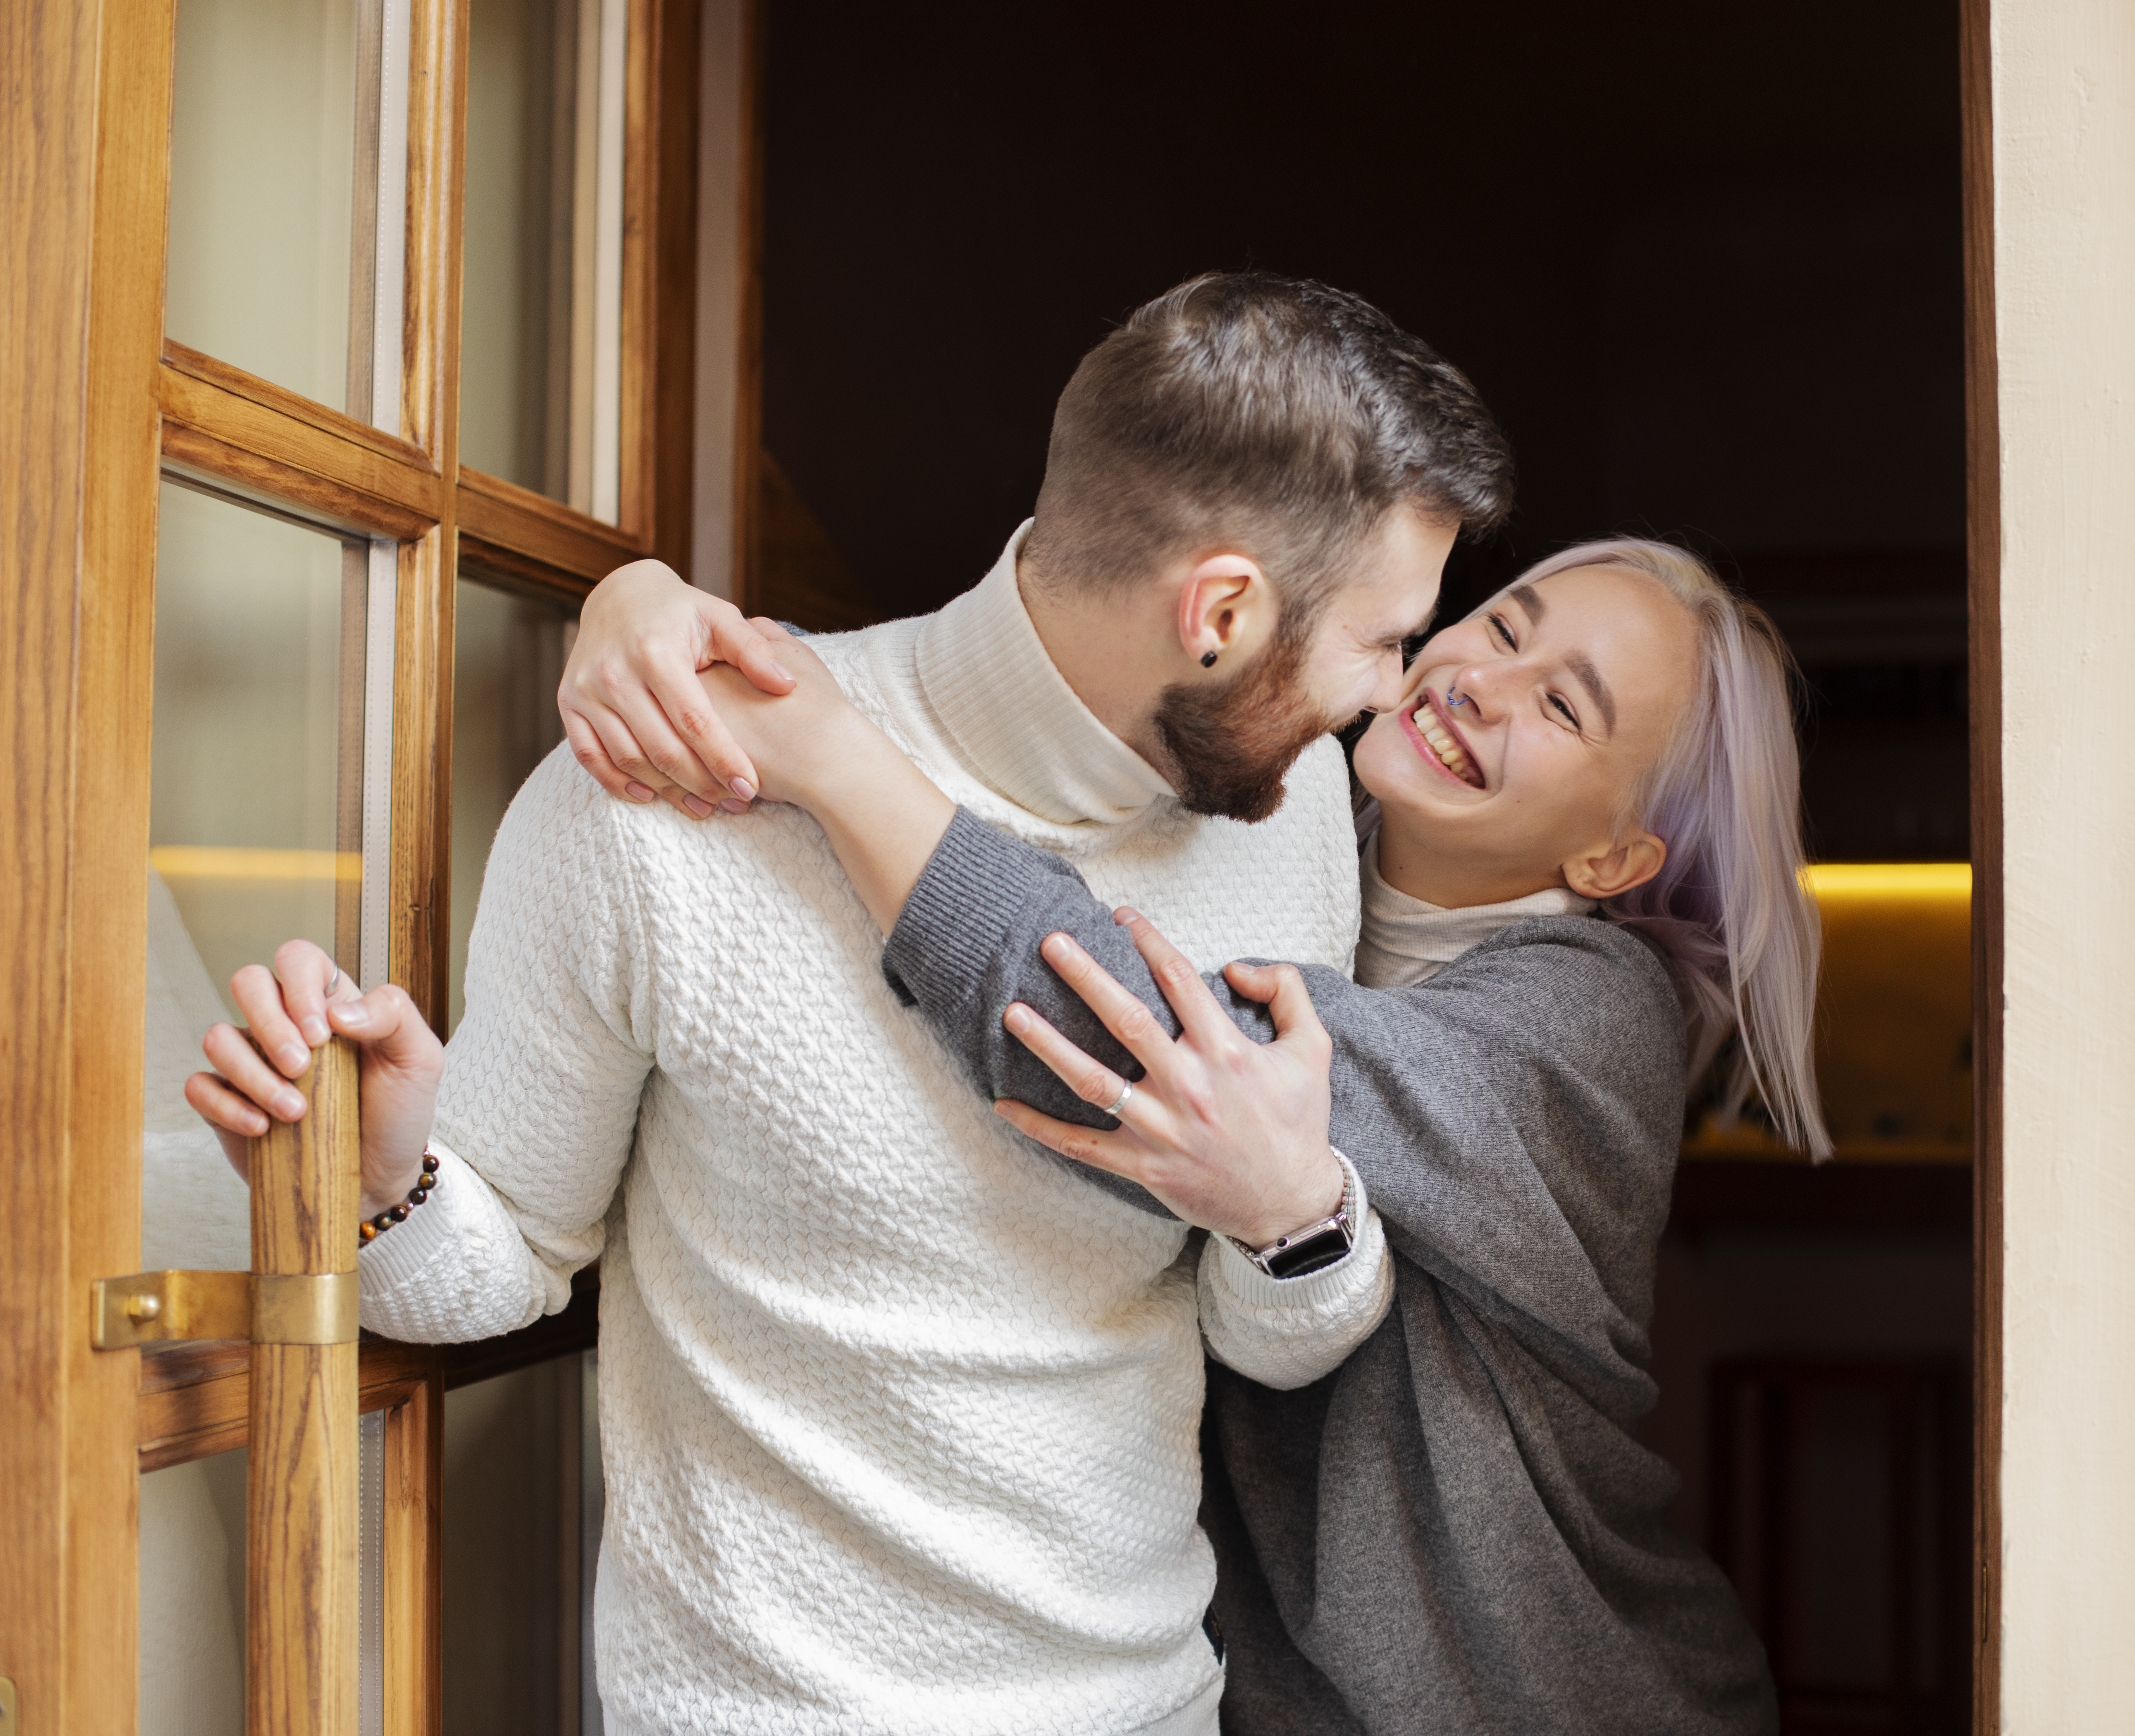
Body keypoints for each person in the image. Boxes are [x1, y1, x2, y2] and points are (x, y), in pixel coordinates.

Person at [185, 272, 1512, 1736]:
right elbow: (503, 1264)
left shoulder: (1295, 812)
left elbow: (1263, 1334)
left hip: (1145, 1709)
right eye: (1386, 642)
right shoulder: (659, 794)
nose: (1395, 696)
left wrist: (1294, 1221)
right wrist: (383, 1180)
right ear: (1221, 614)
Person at [591, 535, 1823, 1733]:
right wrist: (654, 619)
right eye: (1502, 626)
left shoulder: (1595, 1017)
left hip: (1535, 1699)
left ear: (1612, 855)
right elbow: (991, 748)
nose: (1483, 685)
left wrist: (820, 749)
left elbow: (1128, 1034)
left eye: (1564, 707)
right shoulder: (1290, 827)